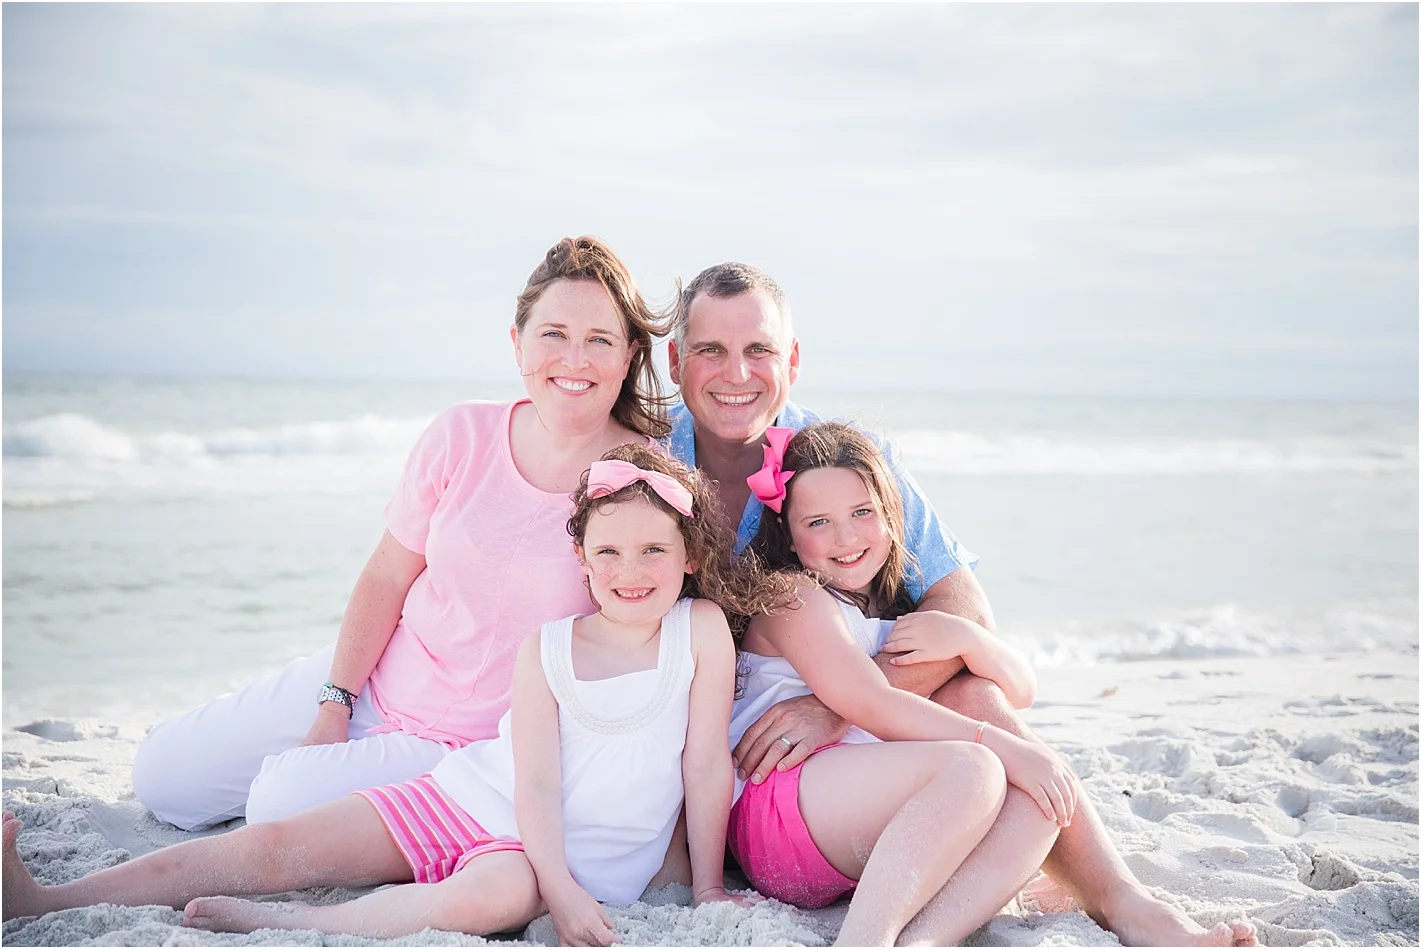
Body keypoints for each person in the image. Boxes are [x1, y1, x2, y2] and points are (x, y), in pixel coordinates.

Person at [664, 262, 1259, 948]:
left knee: (994, 719)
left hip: (852, 768)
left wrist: (837, 703)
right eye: (711, 349)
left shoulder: (833, 459)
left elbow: (963, 608)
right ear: (676, 361)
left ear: (790, 360)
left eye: (759, 349)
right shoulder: (651, 463)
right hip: (741, 786)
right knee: (982, 755)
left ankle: (1118, 899)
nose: (737, 372)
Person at [4, 446, 757, 946]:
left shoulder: (700, 631)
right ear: (582, 561)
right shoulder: (549, 647)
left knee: (492, 896)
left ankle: (296, 923)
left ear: (688, 555)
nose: (632, 570)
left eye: (654, 548)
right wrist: (557, 888)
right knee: (276, 842)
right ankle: (50, 899)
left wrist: (704, 884)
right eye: (610, 552)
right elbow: (532, 777)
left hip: (553, 861)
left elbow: (702, 764)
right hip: (472, 798)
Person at [130, 235, 676, 832]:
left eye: (599, 339)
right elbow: (388, 574)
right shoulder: (462, 433)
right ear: (517, 343)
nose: (574, 358)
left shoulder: (641, 478)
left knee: (278, 804)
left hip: (464, 745)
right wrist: (335, 703)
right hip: (372, 680)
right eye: (553, 334)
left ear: (628, 357)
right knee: (164, 779)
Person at [733, 421, 1078, 948]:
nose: (846, 538)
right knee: (975, 766)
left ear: (894, 518)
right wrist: (1002, 744)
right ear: (789, 535)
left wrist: (970, 639)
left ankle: (924, 941)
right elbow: (871, 701)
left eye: (862, 513)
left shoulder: (892, 614)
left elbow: (1021, 689)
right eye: (818, 522)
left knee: (1041, 798)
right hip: (778, 808)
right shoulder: (791, 597)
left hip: (857, 822)